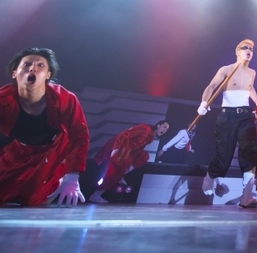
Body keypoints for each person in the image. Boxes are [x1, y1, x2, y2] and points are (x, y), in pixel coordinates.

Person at [0, 47, 89, 206]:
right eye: (27, 64)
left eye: (40, 65)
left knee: (33, 200)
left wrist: (72, 178)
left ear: (48, 75)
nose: (33, 68)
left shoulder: (65, 99)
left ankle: (56, 181)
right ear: (14, 73)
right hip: (19, 151)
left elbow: (78, 136)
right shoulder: (2, 100)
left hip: (53, 151)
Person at [197, 39, 257, 208]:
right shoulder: (226, 69)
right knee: (224, 157)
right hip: (227, 116)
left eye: (251, 49)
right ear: (237, 52)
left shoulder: (252, 72)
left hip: (245, 116)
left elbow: (250, 87)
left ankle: (246, 197)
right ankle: (209, 177)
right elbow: (212, 86)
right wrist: (204, 103)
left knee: (251, 152)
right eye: (245, 48)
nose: (249, 50)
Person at [89, 120, 169, 203]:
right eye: (164, 127)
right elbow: (124, 135)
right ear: (158, 125)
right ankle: (96, 194)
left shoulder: (150, 138)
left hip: (127, 153)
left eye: (167, 129)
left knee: (144, 156)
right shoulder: (144, 129)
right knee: (113, 173)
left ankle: (122, 174)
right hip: (120, 149)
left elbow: (139, 149)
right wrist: (116, 148)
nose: (165, 130)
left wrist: (130, 161)